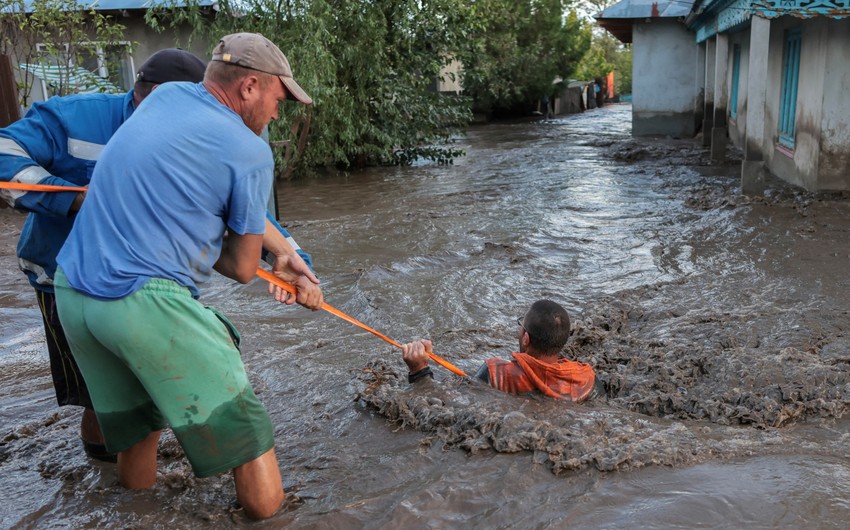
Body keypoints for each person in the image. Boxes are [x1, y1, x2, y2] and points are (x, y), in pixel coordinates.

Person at [54, 32, 321, 520]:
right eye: (278, 99)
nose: (279, 113)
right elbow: (241, 268)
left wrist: (284, 253)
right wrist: (267, 260)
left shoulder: (167, 96)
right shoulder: (250, 151)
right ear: (249, 87)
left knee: (140, 432)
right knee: (247, 435)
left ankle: (140, 515)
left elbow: (174, 183)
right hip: (142, 302)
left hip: (73, 294)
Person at [0, 48, 207, 462]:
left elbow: (239, 213)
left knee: (157, 380)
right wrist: (76, 199)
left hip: (148, 281)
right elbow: (4, 151)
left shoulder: (195, 134)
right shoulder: (75, 117)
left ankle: (130, 472)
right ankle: (104, 478)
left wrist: (289, 258)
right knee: (98, 393)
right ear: (146, 96)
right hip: (63, 277)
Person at [401, 299, 604, 402]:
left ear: (526, 338)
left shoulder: (494, 373)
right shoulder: (588, 379)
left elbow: (443, 402)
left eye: (520, 325)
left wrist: (419, 372)